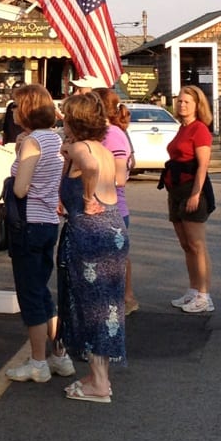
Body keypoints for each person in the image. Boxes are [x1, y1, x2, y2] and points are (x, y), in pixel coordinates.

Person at [57, 93, 128, 403]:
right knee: (108, 306)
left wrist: (86, 198)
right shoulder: (101, 147)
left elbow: (89, 168)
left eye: (64, 116)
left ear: (74, 120)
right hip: (113, 231)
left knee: (92, 308)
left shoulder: (81, 149)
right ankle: (101, 377)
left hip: (91, 236)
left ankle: (99, 385)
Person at [4, 85, 74, 383]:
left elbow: (20, 187)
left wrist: (15, 174)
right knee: (43, 290)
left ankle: (37, 361)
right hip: (48, 221)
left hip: (27, 222)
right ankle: (59, 354)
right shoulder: (55, 139)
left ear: (26, 110)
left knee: (30, 293)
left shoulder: (33, 141)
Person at [163, 85, 215, 314]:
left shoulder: (199, 129)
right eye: (180, 101)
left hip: (191, 189)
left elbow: (202, 166)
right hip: (175, 190)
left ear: (197, 105)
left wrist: (195, 194)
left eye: (187, 102)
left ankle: (204, 295)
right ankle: (193, 290)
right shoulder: (182, 128)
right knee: (186, 245)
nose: (182, 104)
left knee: (197, 245)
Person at [94, 88, 139, 315]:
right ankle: (122, 298)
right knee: (116, 257)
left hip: (112, 207)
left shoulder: (112, 134)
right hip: (105, 206)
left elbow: (119, 178)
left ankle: (123, 299)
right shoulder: (105, 132)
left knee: (114, 259)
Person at [1, 81, 25, 146]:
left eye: (17, 91)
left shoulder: (29, 107)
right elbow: (6, 128)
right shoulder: (10, 106)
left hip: (22, 142)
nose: (13, 93)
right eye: (13, 91)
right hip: (9, 143)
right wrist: (4, 143)